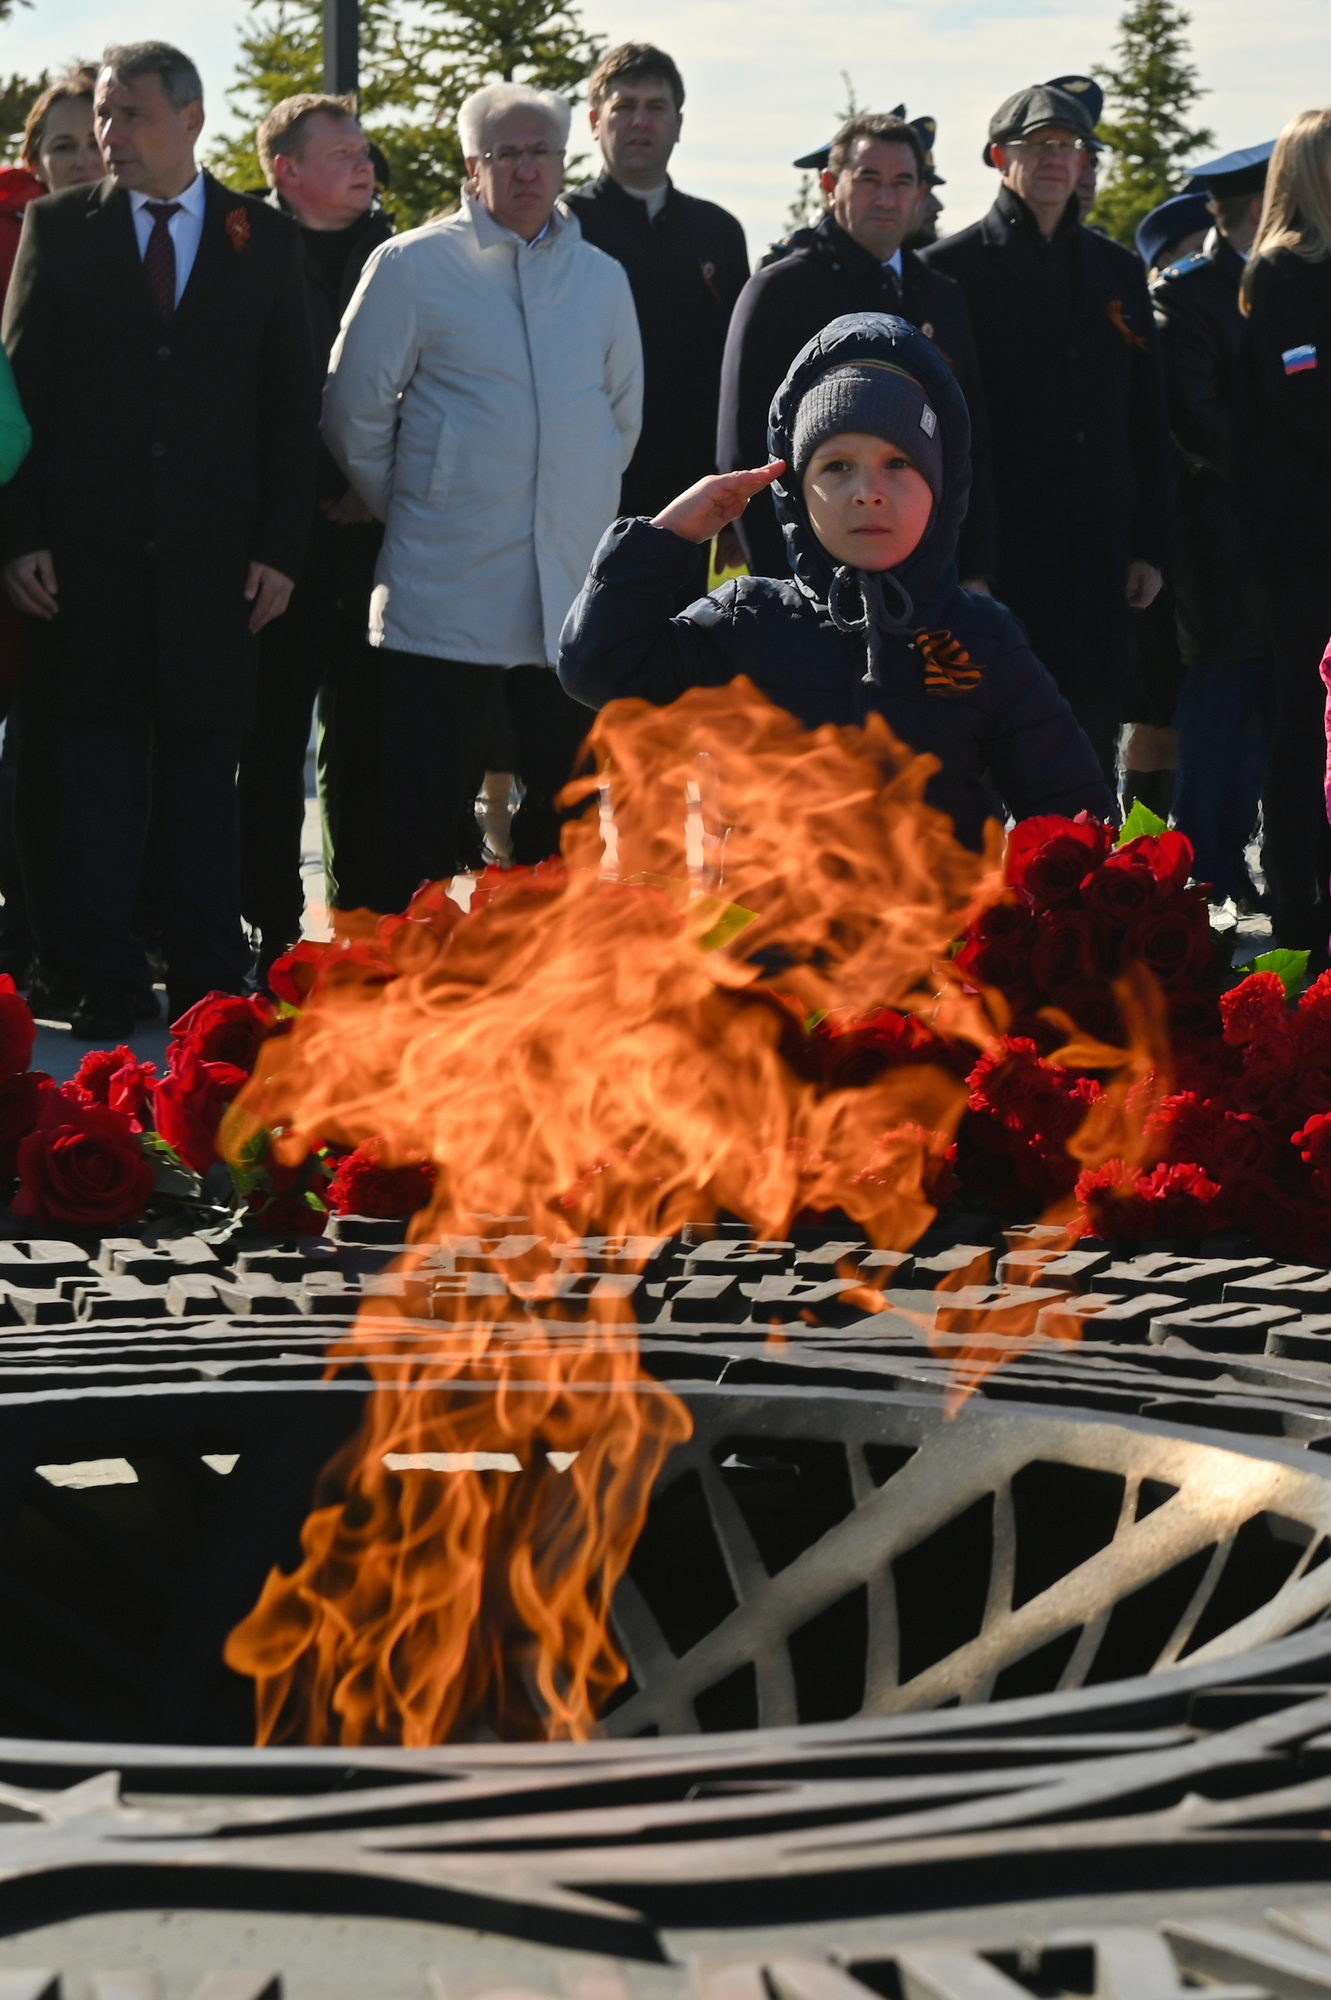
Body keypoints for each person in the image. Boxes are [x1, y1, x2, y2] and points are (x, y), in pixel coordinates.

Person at [0, 39, 319, 1039]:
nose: (107, 134)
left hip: (219, 569)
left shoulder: (260, 239)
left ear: (189, 118)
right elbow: (18, 395)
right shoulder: (59, 229)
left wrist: (280, 548)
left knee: (201, 778)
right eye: (101, 115)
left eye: (129, 114)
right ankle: (99, 975)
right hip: (82, 565)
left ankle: (207, 982)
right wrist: (22, 537)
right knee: (94, 775)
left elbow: (287, 408)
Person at [560, 311, 1114, 850]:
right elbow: (599, 669)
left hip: (937, 936)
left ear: (943, 487)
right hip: (765, 935)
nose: (867, 492)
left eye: (898, 463)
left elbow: (1075, 814)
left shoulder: (983, 640)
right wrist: (667, 536)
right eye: (837, 467)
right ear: (796, 492)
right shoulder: (746, 623)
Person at [323, 80, 642, 912]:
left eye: (542, 152)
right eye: (509, 153)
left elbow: (620, 419)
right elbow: (353, 410)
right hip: (443, 583)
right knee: (421, 813)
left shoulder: (601, 278)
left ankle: (548, 983)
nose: (528, 169)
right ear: (474, 165)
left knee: (567, 807)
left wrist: (571, 509)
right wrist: (424, 500)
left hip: (567, 590)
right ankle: (412, 990)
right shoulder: (411, 265)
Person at [923, 80, 1172, 782]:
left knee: (1089, 730)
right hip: (1000, 547)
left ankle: (1084, 884)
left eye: (1069, 147)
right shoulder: (952, 271)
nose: (1057, 161)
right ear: (1001, 157)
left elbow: (1144, 420)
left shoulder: (1115, 269)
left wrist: (1150, 544)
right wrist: (961, 557)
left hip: (1097, 550)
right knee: (990, 727)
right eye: (1038, 147)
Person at [238, 91, 393, 985]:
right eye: (341, 151)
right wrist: (325, 486)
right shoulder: (247, 255)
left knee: (364, 739)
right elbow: (249, 398)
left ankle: (365, 922)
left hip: (377, 540)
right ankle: (270, 925)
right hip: (278, 544)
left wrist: (373, 490)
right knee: (268, 743)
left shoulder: (399, 252)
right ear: (286, 170)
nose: (363, 163)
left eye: (364, 148)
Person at [718, 112, 997, 591]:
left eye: (902, 181)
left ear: (920, 192)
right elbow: (746, 453)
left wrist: (972, 570)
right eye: (868, 180)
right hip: (818, 580)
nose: (886, 198)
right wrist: (790, 587)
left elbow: (969, 439)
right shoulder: (780, 291)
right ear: (831, 184)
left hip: (928, 579)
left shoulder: (941, 295)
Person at [1152, 147, 1273, 906]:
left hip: (1284, 534)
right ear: (1241, 213)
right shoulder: (1188, 296)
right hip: (1218, 536)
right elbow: (1197, 423)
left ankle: (1238, 857)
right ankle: (1201, 863)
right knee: (1219, 699)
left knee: (1266, 701)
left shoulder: (1290, 282)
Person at [564, 43, 748, 529]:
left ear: (679, 124)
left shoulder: (718, 233)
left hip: (691, 494)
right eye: (624, 106)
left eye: (656, 107)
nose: (640, 122)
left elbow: (739, 376)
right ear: (594, 122)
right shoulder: (562, 228)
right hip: (584, 492)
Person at [1239, 108, 1331, 962]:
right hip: (1308, 548)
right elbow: (1304, 403)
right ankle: (1300, 916)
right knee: (1306, 731)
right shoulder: (1281, 273)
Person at [0, 67, 103, 299]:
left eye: (96, 144)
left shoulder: (160, 227)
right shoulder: (5, 239)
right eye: (63, 147)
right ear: (34, 162)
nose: (84, 161)